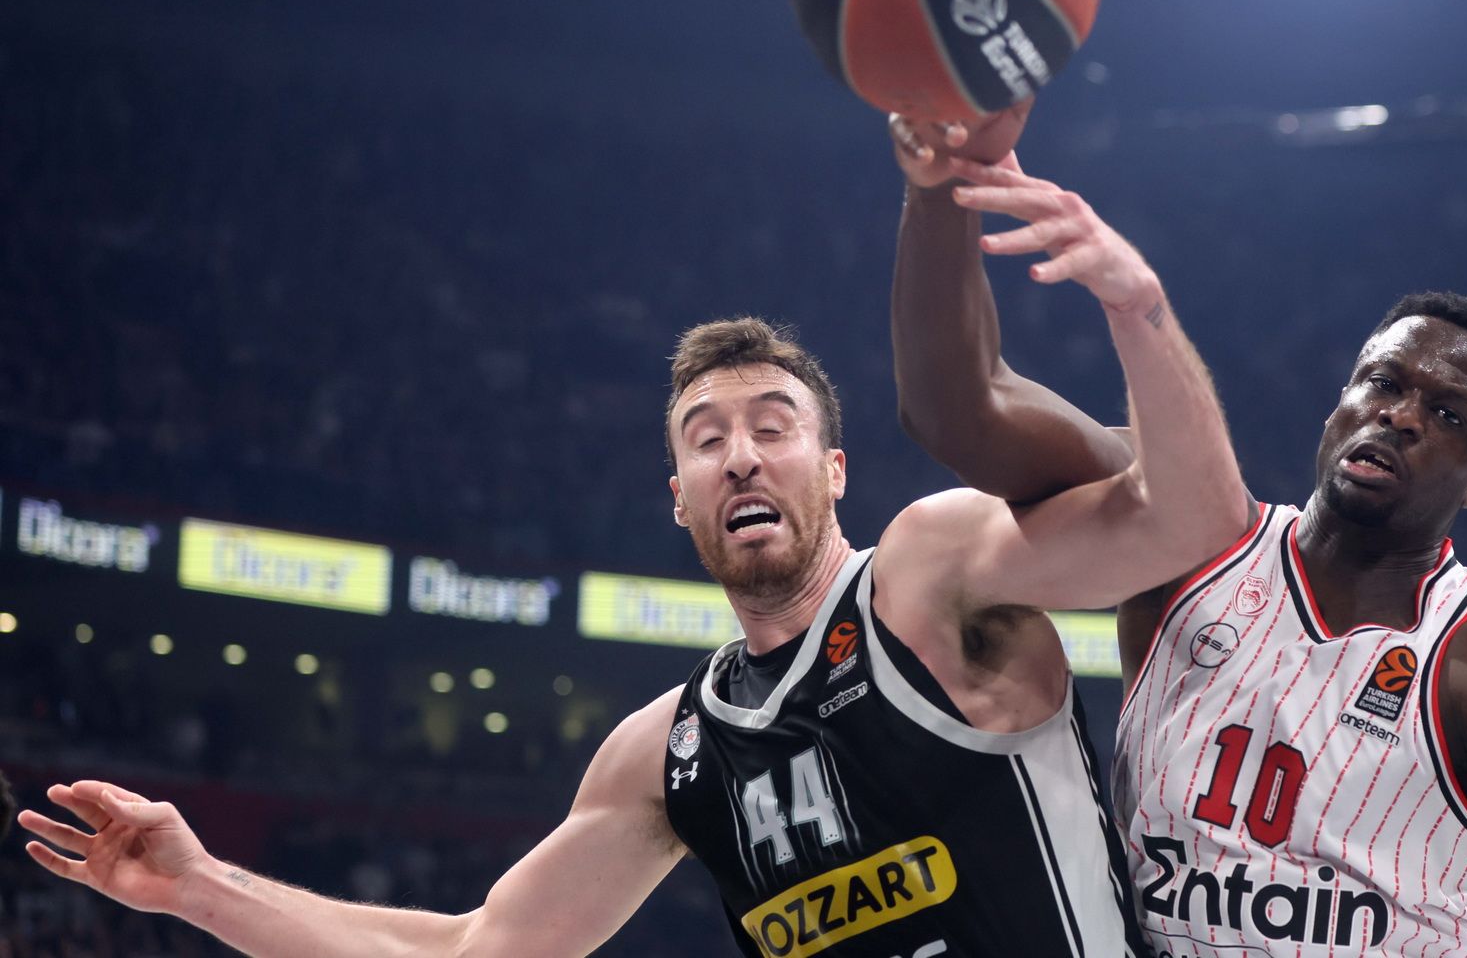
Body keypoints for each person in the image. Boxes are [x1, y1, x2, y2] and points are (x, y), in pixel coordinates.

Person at [18, 196, 1248, 955]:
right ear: (678, 497)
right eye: (706, 439)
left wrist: (1135, 306)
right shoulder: (666, 752)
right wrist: (199, 888)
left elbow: (1198, 519)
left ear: (834, 472)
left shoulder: (935, 574)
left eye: (771, 427)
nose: (739, 454)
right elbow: (477, 953)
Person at [887, 112, 1467, 958]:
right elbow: (956, 409)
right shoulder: (1187, 533)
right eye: (1382, 383)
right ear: (1338, 406)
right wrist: (937, 190)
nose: (1401, 416)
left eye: (1447, 414)